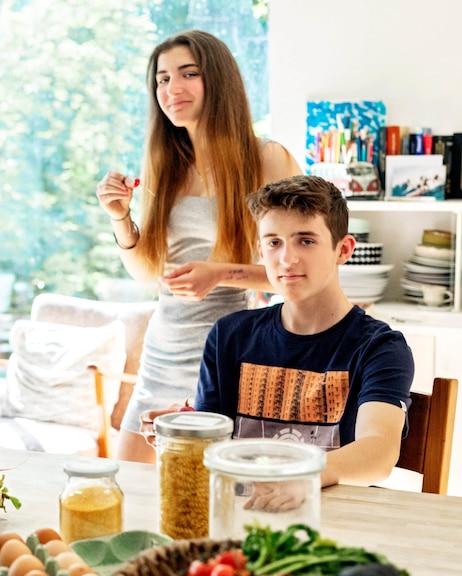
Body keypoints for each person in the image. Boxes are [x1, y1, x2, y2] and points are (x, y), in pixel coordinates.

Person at [96, 30, 302, 463]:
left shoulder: (266, 159)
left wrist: (221, 273)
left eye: (188, 74)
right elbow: (148, 273)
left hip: (225, 355)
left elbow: (302, 273)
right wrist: (120, 216)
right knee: (129, 488)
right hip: (161, 352)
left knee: (204, 499)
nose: (173, 89)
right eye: (163, 79)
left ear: (219, 81)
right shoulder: (163, 166)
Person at [141, 175, 414, 490]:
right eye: (274, 242)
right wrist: (184, 434)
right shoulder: (229, 335)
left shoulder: (380, 347)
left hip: (332, 522)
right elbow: (209, 449)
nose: (287, 258)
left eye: (306, 240)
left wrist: (296, 478)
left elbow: (378, 452)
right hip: (240, 513)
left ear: (343, 250)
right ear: (260, 250)